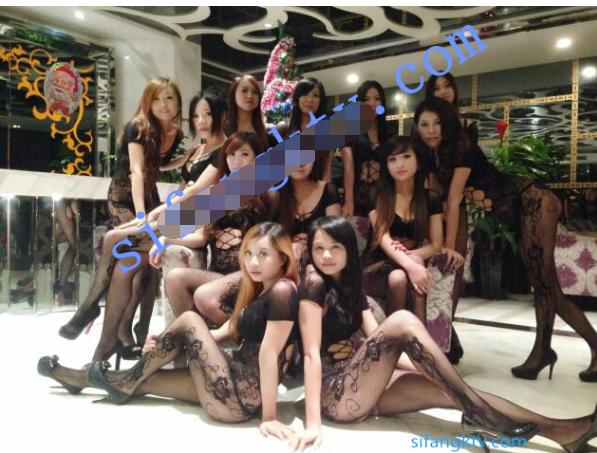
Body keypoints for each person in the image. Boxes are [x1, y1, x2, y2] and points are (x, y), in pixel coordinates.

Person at [289, 215, 597, 452]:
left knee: (450, 389)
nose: (326, 255)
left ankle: (564, 432)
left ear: (348, 249)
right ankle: (476, 411)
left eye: (335, 247)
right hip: (334, 396)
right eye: (319, 248)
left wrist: (432, 371)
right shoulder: (314, 283)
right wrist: (313, 424)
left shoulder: (349, 283)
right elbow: (311, 355)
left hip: (362, 384)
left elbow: (372, 340)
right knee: (402, 320)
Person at [38, 222, 302, 439]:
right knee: (144, 380)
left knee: (189, 320)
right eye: (249, 253)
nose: (253, 262)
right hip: (230, 383)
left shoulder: (283, 291)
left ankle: (122, 377)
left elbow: (270, 355)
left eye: (263, 254)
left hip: (240, 397)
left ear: (282, 258)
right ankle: (75, 378)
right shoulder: (259, 290)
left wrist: (269, 417)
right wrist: (168, 339)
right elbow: (224, 332)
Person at [413, 98, 597, 382]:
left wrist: (448, 246)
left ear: (447, 123)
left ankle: (575, 348)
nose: (431, 130)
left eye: (437, 123)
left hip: (533, 203)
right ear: (416, 128)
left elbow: (453, 200)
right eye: (424, 124)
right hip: (523, 212)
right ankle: (544, 351)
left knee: (547, 288)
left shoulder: (461, 147)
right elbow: (436, 198)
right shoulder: (434, 156)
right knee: (547, 289)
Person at [58, 77, 184, 349]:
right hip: (124, 199)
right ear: (147, 101)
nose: (163, 105)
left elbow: (154, 165)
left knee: (143, 264)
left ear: (178, 103)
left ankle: (128, 329)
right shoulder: (138, 126)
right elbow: (136, 170)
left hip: (150, 198)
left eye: (169, 98)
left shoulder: (175, 134)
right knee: (123, 251)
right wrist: (140, 214)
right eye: (157, 98)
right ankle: (94, 308)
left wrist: (182, 160)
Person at [152, 132, 272, 327]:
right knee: (175, 278)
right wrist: (167, 239)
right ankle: (193, 338)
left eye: (244, 154)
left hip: (249, 274)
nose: (237, 161)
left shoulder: (268, 195)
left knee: (204, 296)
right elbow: (201, 237)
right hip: (218, 275)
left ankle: (244, 335)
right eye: (231, 155)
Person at [364, 136, 450, 323]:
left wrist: (410, 257)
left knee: (399, 276)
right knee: (405, 272)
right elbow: (383, 239)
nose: (399, 164)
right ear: (386, 166)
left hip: (405, 264)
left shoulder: (430, 199)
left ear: (418, 161)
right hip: (376, 265)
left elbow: (436, 244)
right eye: (392, 159)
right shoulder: (377, 195)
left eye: (406, 156)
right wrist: (411, 264)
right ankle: (413, 336)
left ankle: (400, 338)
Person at [340, 80, 391, 217]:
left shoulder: (389, 135)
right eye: (366, 99)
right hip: (358, 195)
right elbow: (348, 167)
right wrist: (349, 201)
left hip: (384, 197)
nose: (372, 103)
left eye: (377, 98)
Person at [283, 77, 332, 182]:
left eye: (315, 95)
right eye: (305, 94)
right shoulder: (284, 129)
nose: (310, 100)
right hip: (289, 188)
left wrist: (325, 189)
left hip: (315, 186)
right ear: (297, 97)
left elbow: (326, 167)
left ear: (321, 100)